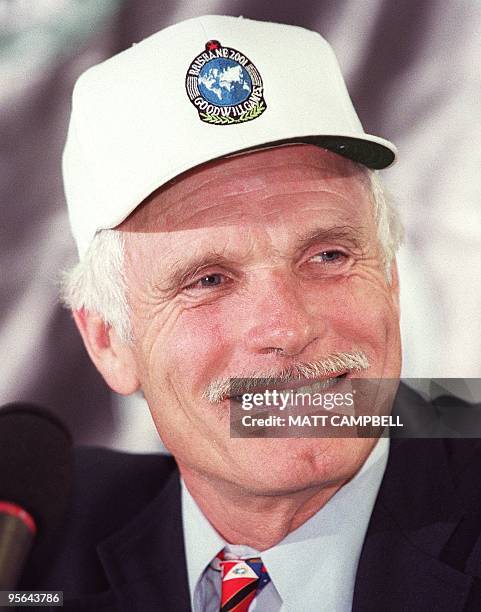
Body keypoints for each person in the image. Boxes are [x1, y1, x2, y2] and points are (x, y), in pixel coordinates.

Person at [21, 15, 481, 611]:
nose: (287, 328)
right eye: (209, 280)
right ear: (109, 341)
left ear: (391, 281)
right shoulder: (35, 540)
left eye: (328, 255)